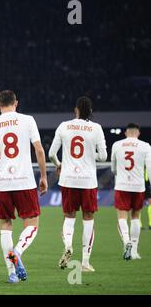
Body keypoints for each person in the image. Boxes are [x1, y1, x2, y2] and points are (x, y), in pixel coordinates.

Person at [0, 90, 47, 283]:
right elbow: (39, 149)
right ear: (16, 103)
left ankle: (11, 273)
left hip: (3, 182)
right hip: (24, 180)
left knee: (6, 225)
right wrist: (43, 176)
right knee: (32, 223)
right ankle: (18, 250)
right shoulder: (28, 120)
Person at [49, 96, 107, 272]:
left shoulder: (64, 126)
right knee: (88, 219)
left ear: (76, 110)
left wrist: (59, 164)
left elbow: (51, 153)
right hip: (88, 181)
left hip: (68, 179)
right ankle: (85, 262)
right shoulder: (96, 128)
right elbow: (103, 156)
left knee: (69, 216)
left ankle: (68, 245)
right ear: (90, 111)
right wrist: (90, 155)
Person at [111, 123, 151, 260]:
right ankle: (134, 250)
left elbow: (113, 168)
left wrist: (119, 175)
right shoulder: (145, 146)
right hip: (138, 186)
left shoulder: (117, 145)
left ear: (126, 133)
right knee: (136, 217)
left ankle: (126, 241)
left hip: (122, 185)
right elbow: (150, 169)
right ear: (138, 133)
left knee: (122, 217)